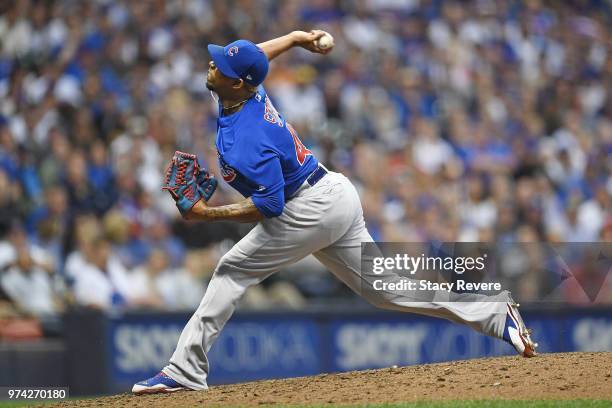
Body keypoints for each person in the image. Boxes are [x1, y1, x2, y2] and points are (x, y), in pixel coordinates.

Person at [132, 30, 537, 394]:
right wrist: (293, 38)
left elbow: (271, 206)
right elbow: (258, 56)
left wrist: (206, 215)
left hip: (309, 208)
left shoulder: (249, 139)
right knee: (386, 290)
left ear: (238, 82)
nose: (211, 65)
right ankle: (493, 312)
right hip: (333, 193)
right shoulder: (243, 88)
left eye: (220, 65)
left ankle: (184, 369)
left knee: (232, 269)